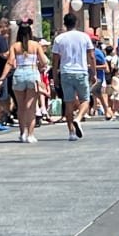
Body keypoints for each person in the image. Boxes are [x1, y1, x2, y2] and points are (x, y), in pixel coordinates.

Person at [51, 12, 96, 141]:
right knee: (85, 100)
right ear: (76, 23)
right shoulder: (84, 37)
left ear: (64, 24)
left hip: (66, 72)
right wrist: (93, 73)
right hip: (81, 71)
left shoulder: (59, 39)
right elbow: (91, 56)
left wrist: (55, 77)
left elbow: (55, 61)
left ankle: (71, 132)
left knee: (68, 102)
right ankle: (79, 117)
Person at [0, 20, 48, 143]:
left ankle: (22, 133)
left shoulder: (15, 46)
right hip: (32, 73)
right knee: (30, 107)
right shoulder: (36, 45)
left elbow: (10, 62)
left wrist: (2, 78)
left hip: (19, 74)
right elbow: (44, 61)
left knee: (20, 106)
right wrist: (40, 65)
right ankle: (31, 134)